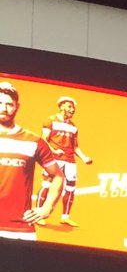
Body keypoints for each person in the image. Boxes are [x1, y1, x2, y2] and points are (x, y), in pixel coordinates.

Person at [0, 81, 64, 241]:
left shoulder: (33, 141)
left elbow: (58, 176)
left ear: (17, 107)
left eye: (9, 104)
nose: (4, 108)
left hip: (20, 231)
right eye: (0, 103)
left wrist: (46, 209)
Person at [38, 96, 92, 226]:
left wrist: (84, 158)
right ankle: (39, 214)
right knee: (47, 185)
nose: (72, 110)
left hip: (69, 160)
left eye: (73, 108)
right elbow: (43, 139)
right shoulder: (50, 120)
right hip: (53, 159)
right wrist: (53, 151)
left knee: (71, 188)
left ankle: (65, 217)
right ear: (61, 106)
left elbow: (75, 147)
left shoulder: (73, 126)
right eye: (69, 106)